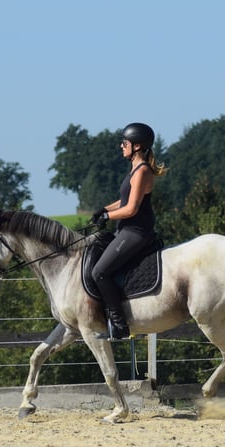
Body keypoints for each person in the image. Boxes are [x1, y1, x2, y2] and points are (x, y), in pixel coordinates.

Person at [90, 122, 167, 340]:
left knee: (99, 272)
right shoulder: (135, 170)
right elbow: (124, 200)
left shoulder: (142, 171)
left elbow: (132, 208)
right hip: (126, 230)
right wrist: (104, 209)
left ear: (137, 146)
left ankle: (119, 325)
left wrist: (107, 217)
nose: (121, 145)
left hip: (136, 232)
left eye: (125, 142)